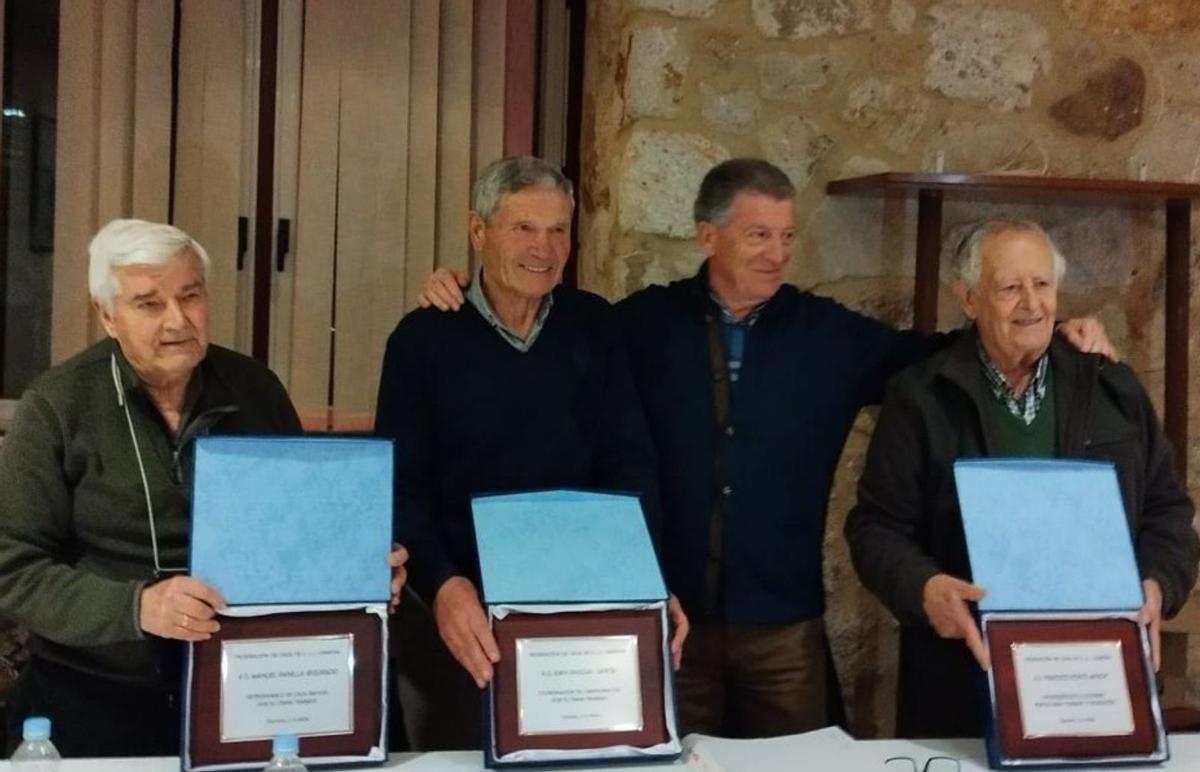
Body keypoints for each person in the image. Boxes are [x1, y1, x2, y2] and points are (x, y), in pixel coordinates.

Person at [416, 159, 1114, 738]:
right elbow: (544, 326)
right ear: (706, 236)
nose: (776, 253)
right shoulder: (636, 326)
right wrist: (457, 288)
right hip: (670, 624)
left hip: (786, 632)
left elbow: (934, 356)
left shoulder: (828, 336)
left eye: (785, 235)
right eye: (757, 235)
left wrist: (1042, 332)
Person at [0, 219, 409, 757]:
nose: (177, 320)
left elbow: (304, 524)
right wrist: (138, 606)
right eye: (149, 304)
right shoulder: (56, 406)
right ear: (106, 314)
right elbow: (13, 568)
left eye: (190, 296)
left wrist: (362, 566)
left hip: (251, 682)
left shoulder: (254, 388)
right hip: (99, 690)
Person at [374, 156, 687, 751]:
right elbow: (399, 486)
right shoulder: (423, 339)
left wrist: (648, 580)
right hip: (457, 621)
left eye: (558, 230)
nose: (543, 248)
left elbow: (630, 466)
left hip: (575, 612)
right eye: (523, 228)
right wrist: (443, 585)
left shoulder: (595, 325)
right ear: (477, 232)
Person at [844, 219, 1198, 738]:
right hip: (963, 684)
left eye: (1043, 284)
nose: (1031, 304)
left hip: (1100, 680)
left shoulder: (1113, 388)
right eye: (1009, 288)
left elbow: (1168, 511)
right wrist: (925, 588)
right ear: (967, 298)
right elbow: (875, 527)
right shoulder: (920, 397)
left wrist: (1158, 584)